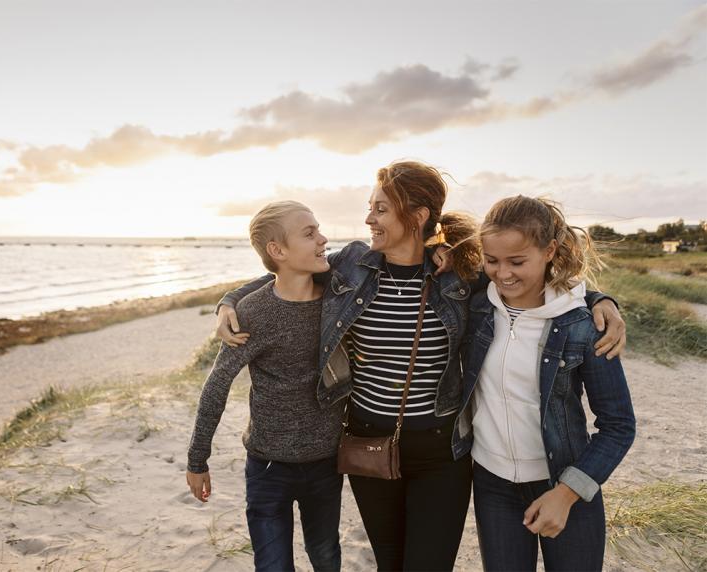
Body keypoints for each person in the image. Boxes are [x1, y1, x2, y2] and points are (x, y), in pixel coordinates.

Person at [216, 160, 627, 571]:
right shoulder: (352, 266)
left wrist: (597, 299)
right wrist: (230, 300)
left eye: (380, 209)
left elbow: (538, 282)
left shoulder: (460, 274)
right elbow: (287, 274)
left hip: (440, 453)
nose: (368, 218)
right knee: (390, 564)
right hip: (368, 445)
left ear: (417, 217)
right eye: (370, 207)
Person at [452, 196, 636, 571]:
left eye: (517, 262)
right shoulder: (477, 306)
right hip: (493, 485)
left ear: (549, 250)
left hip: (566, 482)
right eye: (492, 260)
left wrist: (567, 494)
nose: (502, 274)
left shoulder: (583, 326)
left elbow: (618, 426)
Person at [186, 200, 345, 572]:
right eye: (309, 233)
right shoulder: (254, 313)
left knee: (325, 557)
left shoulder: (339, 298)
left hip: (326, 464)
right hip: (268, 467)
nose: (323, 239)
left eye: (319, 229)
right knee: (272, 566)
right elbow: (217, 386)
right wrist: (197, 459)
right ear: (277, 250)